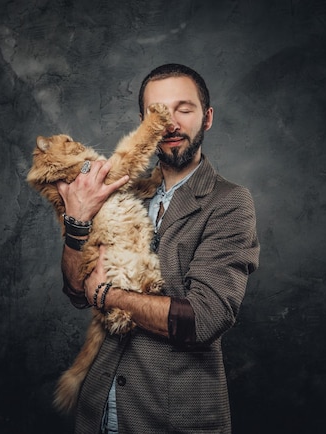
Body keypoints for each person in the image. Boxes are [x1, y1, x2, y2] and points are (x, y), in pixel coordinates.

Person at [56, 63, 260, 433]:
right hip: (99, 412)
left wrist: (108, 295)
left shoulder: (229, 202)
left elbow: (204, 319)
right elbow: (74, 290)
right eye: (158, 112)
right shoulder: (122, 194)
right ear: (143, 124)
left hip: (172, 419)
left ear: (207, 117)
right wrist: (78, 223)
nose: (171, 123)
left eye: (184, 108)